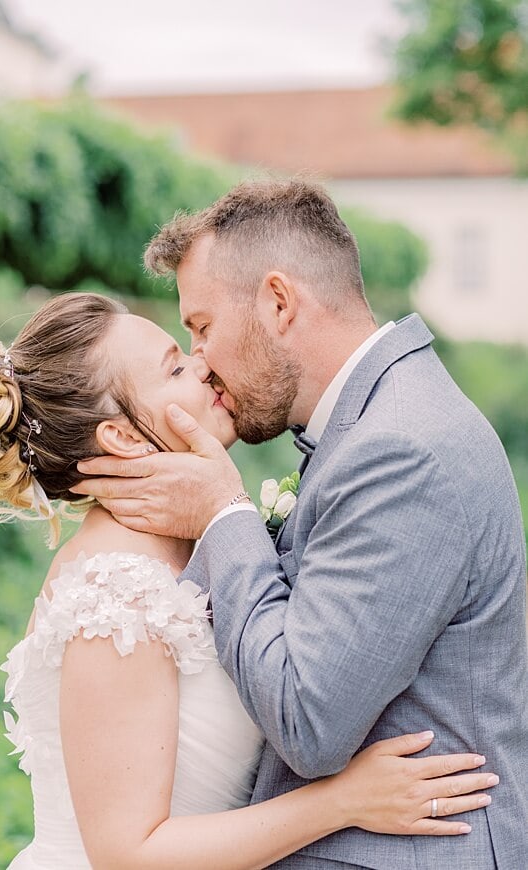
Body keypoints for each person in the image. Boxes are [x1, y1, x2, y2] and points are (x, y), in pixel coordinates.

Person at [0, 292, 498, 869]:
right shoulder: (114, 594)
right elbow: (128, 854)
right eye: (175, 367)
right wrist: (343, 802)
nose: (203, 364)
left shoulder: (194, 549)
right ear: (125, 438)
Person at [73, 178, 528, 868]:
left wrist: (225, 513)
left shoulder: (398, 449)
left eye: (201, 327)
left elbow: (308, 723)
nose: (200, 360)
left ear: (279, 303)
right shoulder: (379, 424)